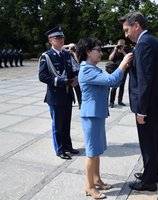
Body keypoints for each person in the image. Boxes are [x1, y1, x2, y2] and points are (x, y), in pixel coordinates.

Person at [119, 11, 158, 192]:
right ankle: (151, 173)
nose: (126, 35)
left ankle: (149, 181)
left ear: (136, 25)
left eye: (127, 30)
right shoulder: (152, 41)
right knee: (152, 140)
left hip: (147, 104)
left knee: (148, 142)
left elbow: (145, 80)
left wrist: (141, 110)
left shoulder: (144, 44)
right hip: (154, 100)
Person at [77, 37, 133, 199]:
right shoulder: (87, 69)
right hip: (91, 115)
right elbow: (111, 80)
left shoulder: (93, 68)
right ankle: (89, 186)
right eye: (98, 50)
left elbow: (113, 83)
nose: (100, 53)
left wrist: (119, 72)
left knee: (97, 150)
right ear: (88, 52)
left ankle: (96, 179)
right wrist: (122, 63)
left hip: (97, 113)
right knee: (92, 152)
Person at [38, 27, 79, 160]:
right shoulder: (46, 56)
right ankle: (60, 149)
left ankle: (68, 146)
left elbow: (73, 70)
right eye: (57, 38)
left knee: (66, 123)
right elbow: (43, 76)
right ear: (51, 40)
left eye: (62, 37)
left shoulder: (67, 54)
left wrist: (76, 78)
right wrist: (61, 81)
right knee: (58, 124)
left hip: (67, 94)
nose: (61, 40)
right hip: (55, 96)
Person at [108, 39, 128, 108]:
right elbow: (110, 58)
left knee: (122, 86)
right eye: (120, 45)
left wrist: (123, 51)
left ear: (124, 45)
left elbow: (128, 58)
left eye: (122, 45)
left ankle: (120, 100)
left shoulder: (126, 50)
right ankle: (111, 102)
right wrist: (114, 50)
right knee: (114, 86)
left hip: (124, 70)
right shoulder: (114, 50)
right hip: (115, 70)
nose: (121, 46)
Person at [62, 43, 82, 109]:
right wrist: (69, 46)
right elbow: (60, 47)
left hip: (75, 72)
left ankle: (80, 102)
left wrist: (74, 52)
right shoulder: (64, 53)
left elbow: (78, 61)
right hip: (68, 72)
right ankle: (70, 101)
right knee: (68, 88)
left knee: (77, 88)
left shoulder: (75, 53)